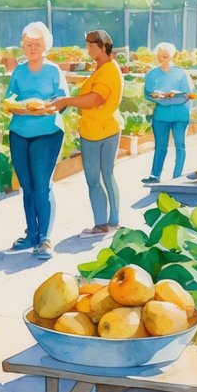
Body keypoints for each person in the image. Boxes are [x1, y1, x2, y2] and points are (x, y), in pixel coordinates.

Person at [1, 21, 67, 259]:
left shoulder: (53, 71)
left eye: (37, 44)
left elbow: (62, 102)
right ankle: (31, 234)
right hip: (19, 132)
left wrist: (46, 107)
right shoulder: (19, 71)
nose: (32, 48)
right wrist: (15, 106)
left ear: (45, 46)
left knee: (42, 185)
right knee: (26, 187)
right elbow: (9, 100)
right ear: (23, 45)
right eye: (28, 44)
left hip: (47, 133)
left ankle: (45, 239)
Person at [52, 29, 122, 239]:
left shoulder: (107, 70)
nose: (88, 49)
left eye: (92, 46)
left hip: (96, 132)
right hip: (109, 127)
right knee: (107, 175)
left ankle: (101, 224)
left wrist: (66, 101)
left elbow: (95, 99)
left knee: (94, 178)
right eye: (87, 45)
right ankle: (113, 221)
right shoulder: (107, 67)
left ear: (103, 47)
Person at [141, 43, 192, 183]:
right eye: (160, 56)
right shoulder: (152, 73)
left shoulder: (181, 73)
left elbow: (188, 94)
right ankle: (155, 175)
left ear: (171, 56)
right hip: (161, 115)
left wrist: (172, 96)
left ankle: (177, 176)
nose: (163, 59)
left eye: (165, 56)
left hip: (180, 115)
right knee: (160, 146)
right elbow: (147, 93)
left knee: (180, 145)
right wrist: (157, 96)